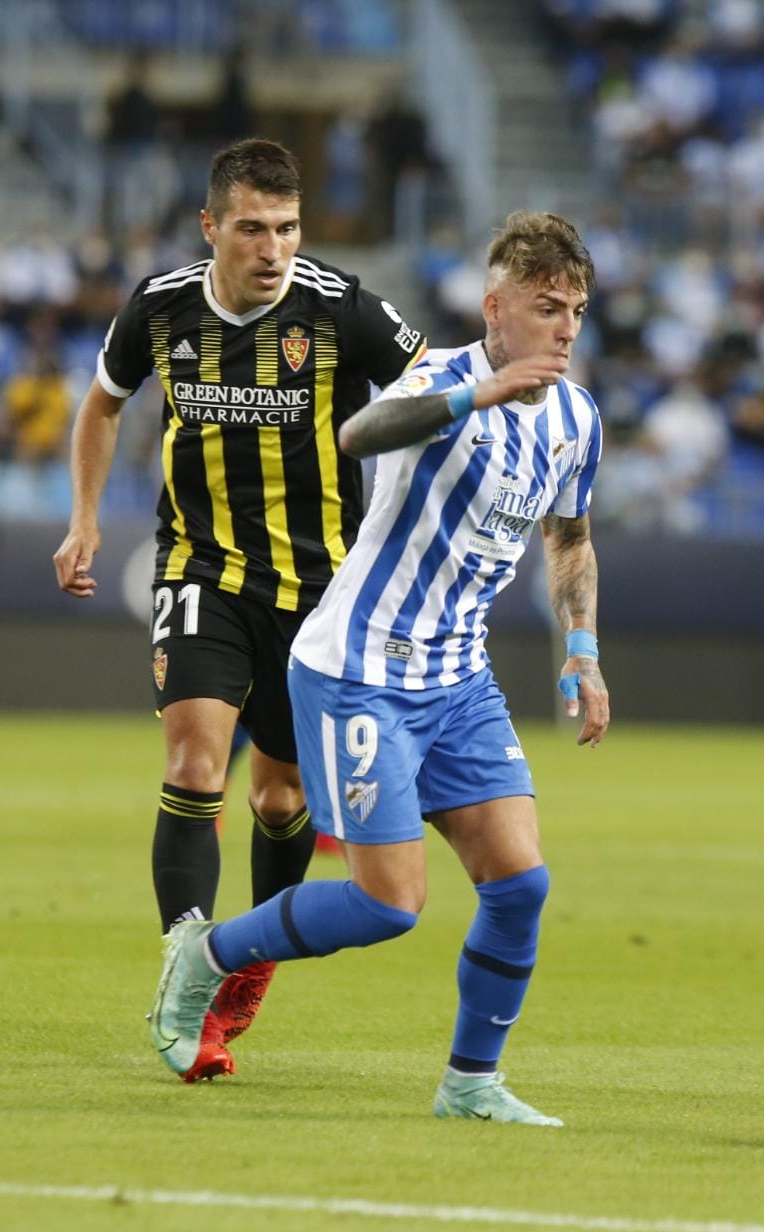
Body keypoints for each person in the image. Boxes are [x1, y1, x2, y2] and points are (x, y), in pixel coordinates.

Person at [146, 211, 608, 1126]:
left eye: (577, 311)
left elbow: (570, 535)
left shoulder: (575, 418)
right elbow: (360, 433)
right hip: (357, 670)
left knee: (521, 883)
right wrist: (482, 393)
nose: (564, 328)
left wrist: (582, 650)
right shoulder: (443, 379)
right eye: (546, 307)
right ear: (495, 309)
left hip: (458, 681)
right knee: (391, 902)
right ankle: (203, 956)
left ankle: (470, 1083)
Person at [53, 139, 426, 1080]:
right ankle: (187, 958)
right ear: (212, 226)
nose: (273, 248)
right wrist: (86, 519)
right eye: (253, 228)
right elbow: (101, 406)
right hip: (201, 569)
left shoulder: (344, 309)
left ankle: (245, 961)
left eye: (289, 228)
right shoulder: (160, 305)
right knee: (193, 759)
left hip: (321, 591)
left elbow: (436, 397)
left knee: (281, 794)